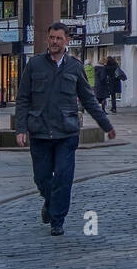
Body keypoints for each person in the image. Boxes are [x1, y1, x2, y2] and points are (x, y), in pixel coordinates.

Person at [15, 23, 116, 236]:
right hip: (40, 131)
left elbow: (89, 99)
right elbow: (23, 99)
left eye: (59, 38)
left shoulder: (75, 67)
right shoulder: (34, 65)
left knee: (63, 176)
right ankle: (50, 202)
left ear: (67, 41)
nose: (54, 42)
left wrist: (106, 125)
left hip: (66, 132)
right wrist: (20, 129)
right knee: (42, 178)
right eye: (51, 38)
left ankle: (57, 220)